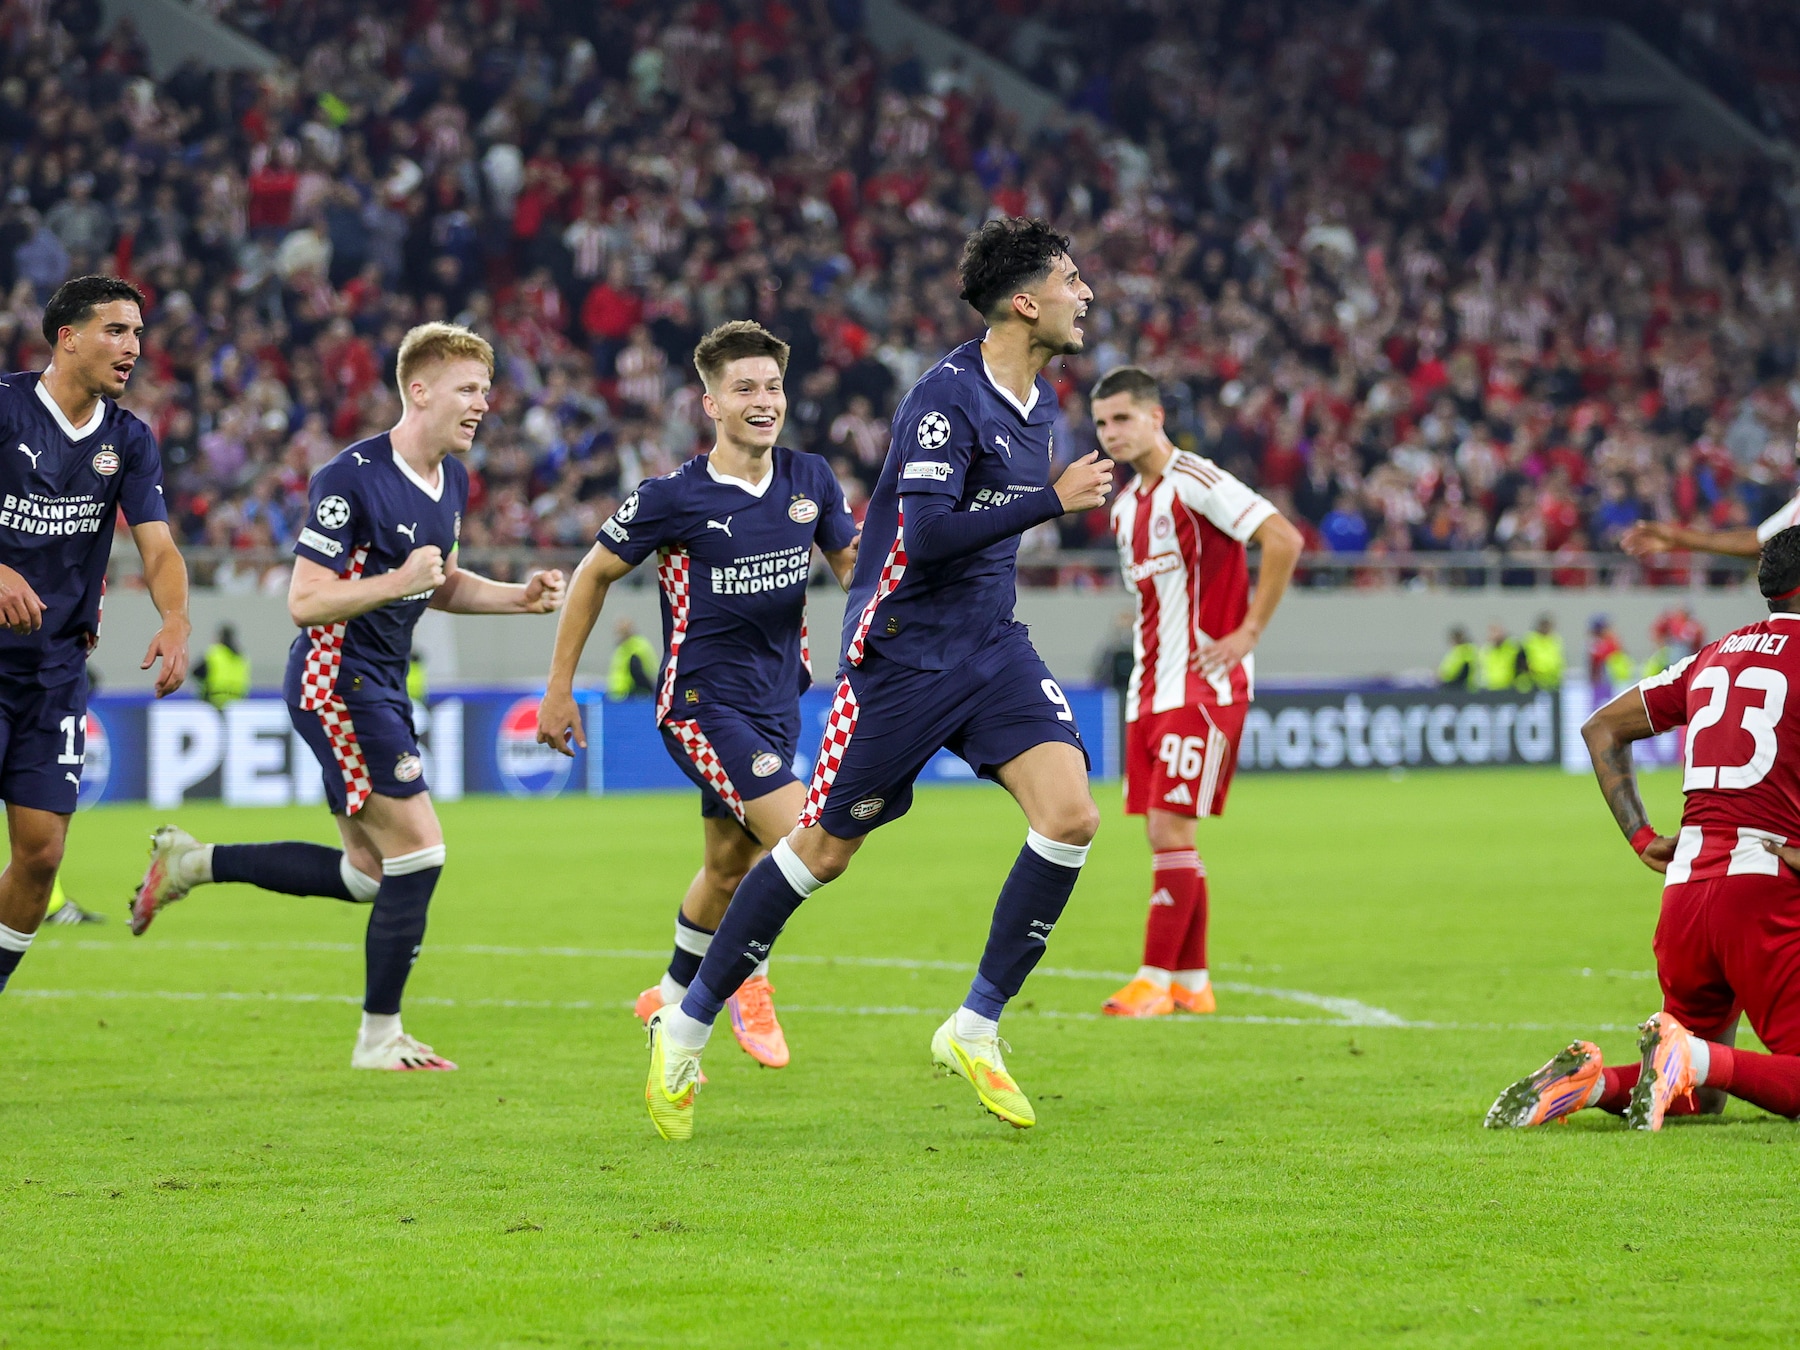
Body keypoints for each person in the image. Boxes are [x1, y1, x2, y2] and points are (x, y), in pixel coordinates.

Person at [638, 217, 1115, 1141]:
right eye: (1069, 278)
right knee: (820, 852)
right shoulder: (945, 400)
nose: (1084, 292)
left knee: (1072, 816)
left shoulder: (1042, 399)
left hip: (993, 648)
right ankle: (686, 1027)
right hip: (902, 653)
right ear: (1025, 301)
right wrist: (1047, 501)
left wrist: (1038, 503)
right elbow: (927, 535)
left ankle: (974, 1026)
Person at [128, 323, 565, 1070]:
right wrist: (398, 582)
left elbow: (445, 581)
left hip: (381, 680)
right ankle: (378, 1037)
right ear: (418, 390)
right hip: (336, 679)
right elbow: (304, 599)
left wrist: (518, 598)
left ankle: (191, 864)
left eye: (486, 393)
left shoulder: (452, 479)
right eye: (468, 390)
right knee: (421, 853)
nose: (482, 406)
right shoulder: (352, 476)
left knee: (367, 875)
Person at [535, 320, 859, 1070]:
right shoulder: (673, 497)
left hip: (780, 702)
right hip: (702, 707)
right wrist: (559, 689)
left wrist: (896, 644)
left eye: (772, 387)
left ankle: (668, 990)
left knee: (724, 868)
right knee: (801, 839)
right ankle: (746, 981)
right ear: (710, 402)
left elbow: (854, 565)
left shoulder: (809, 479)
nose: (763, 401)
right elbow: (591, 576)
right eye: (744, 388)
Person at [1487, 525, 1800, 1132]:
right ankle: (1690, 1054)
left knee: (1700, 1093)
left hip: (1685, 890)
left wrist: (1642, 837)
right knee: (1756, 1063)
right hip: (1759, 889)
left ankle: (1591, 1083)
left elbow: (1601, 726)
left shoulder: (1716, 654)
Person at [1087, 365, 1302, 1017]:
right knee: (1167, 835)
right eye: (1101, 424)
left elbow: (1282, 538)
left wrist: (1248, 632)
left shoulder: (1197, 480)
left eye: (1122, 418)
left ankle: (1153, 979)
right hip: (1147, 692)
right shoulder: (1124, 510)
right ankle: (1192, 982)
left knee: (1167, 826)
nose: (1111, 433)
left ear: (1155, 417)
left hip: (1202, 687)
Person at [0, 274, 190, 996]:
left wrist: (175, 619)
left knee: (43, 854)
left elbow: (160, 548)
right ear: (67, 336)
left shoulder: (128, 441)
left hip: (53, 670)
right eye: (117, 330)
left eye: (138, 333)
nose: (132, 348)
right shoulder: (6, 409)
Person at [193, 623, 250, 706]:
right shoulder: (242, 657)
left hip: (214, 698)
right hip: (238, 700)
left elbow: (196, 672)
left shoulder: (214, 653)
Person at [607, 618, 656, 699]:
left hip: (631, 695)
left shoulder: (636, 647)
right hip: (618, 696)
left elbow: (639, 673)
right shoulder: (622, 647)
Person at [1477, 622, 1528, 692]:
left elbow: (1522, 662)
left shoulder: (1511, 648)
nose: (1495, 635)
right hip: (1490, 689)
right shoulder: (1485, 651)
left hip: (1509, 688)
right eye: (1492, 631)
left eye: (1497, 631)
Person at [1522, 614, 1564, 690]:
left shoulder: (1555, 639)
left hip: (1553, 682)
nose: (1546, 628)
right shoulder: (1531, 639)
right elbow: (1525, 659)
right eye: (1544, 625)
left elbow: (1559, 659)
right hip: (1535, 682)